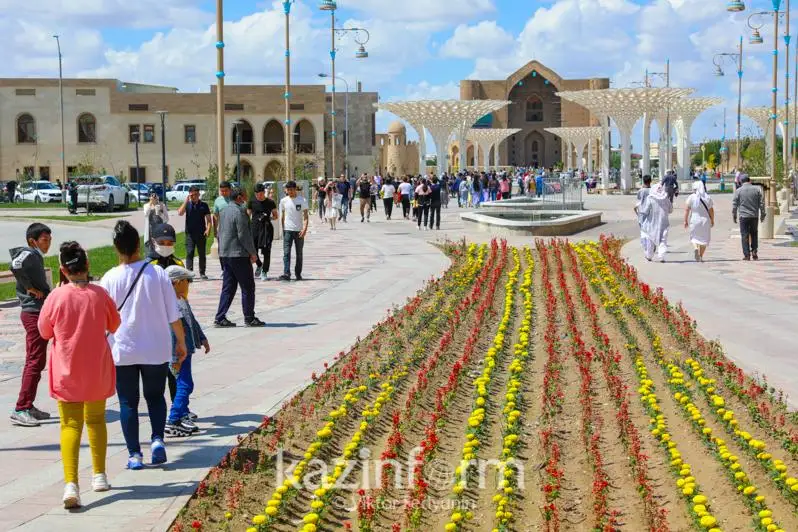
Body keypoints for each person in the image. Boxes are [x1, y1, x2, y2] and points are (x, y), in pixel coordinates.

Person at [37, 242, 120, 507]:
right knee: (96, 421)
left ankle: (71, 484)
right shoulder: (100, 294)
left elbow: (44, 332)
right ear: (88, 266)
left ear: (63, 269)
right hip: (96, 370)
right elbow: (114, 324)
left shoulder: (56, 297)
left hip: (67, 371)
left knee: (70, 425)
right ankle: (99, 475)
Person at [100, 220, 186, 470]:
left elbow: (104, 319)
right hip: (155, 348)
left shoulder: (108, 279)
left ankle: (134, 455)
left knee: (128, 402)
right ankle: (158, 440)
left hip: (123, 349)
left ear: (116, 247)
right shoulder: (157, 273)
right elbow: (174, 314)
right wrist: (180, 342)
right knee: (156, 397)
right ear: (139, 244)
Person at [9, 223, 53, 427]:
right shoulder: (28, 253)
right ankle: (21, 408)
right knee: (34, 361)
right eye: (45, 239)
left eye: (49, 239)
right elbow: (15, 265)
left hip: (37, 312)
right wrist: (29, 288)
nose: (48, 243)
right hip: (32, 313)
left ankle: (29, 405)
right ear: (32, 240)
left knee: (38, 361)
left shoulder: (35, 255)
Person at [164, 266, 209, 437]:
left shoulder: (182, 300)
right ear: (176, 283)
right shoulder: (172, 305)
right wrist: (176, 356)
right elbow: (174, 332)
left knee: (184, 384)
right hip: (178, 354)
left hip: (186, 350)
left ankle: (182, 415)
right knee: (185, 384)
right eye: (187, 281)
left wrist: (203, 339)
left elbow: (193, 322)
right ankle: (174, 419)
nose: (189, 285)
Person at [214, 188, 264, 327]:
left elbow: (220, 231)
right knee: (248, 287)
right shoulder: (240, 212)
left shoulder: (223, 211)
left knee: (228, 287)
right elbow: (244, 235)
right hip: (238, 255)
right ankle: (249, 317)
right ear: (240, 197)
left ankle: (220, 317)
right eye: (245, 196)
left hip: (225, 254)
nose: (246, 199)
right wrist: (253, 253)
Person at [177, 186, 211, 280]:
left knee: (202, 254)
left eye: (196, 194)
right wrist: (186, 200)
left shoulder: (204, 205)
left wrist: (208, 229)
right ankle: (189, 273)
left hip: (201, 234)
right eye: (192, 194)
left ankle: (202, 273)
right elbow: (180, 213)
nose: (194, 196)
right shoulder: (187, 204)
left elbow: (208, 220)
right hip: (190, 234)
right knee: (189, 253)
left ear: (199, 194)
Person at [280, 181, 309, 281]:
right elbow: (282, 216)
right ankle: (286, 273)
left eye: (291, 189)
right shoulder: (283, 201)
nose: (290, 192)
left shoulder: (302, 200)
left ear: (295, 189)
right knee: (286, 253)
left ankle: (298, 273)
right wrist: (283, 229)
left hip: (299, 231)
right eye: (288, 190)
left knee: (299, 254)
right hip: (287, 230)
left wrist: (304, 229)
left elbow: (305, 216)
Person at [732, 174, 766, 261]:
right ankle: (754, 251)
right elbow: (762, 203)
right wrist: (762, 214)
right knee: (754, 234)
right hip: (754, 216)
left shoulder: (738, 191)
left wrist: (734, 215)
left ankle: (747, 255)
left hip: (743, 216)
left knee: (744, 235)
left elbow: (734, 204)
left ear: (741, 182)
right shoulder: (757, 190)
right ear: (749, 180)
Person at [248, 183, 277, 281]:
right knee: (253, 251)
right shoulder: (251, 202)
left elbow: (275, 216)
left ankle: (265, 271)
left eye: (260, 194)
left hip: (266, 229)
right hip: (255, 229)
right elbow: (248, 215)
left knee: (267, 251)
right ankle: (259, 265)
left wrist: (268, 217)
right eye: (256, 194)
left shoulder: (270, 202)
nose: (258, 196)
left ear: (264, 192)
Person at [639, 182, 673, 262]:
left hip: (652, 222)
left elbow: (645, 210)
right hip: (664, 222)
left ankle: (649, 255)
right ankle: (661, 256)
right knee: (663, 240)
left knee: (651, 239)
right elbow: (671, 210)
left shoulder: (650, 198)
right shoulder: (666, 198)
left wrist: (640, 210)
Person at [684, 181, 715, 262]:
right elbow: (711, 210)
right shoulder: (707, 197)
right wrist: (712, 220)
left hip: (694, 219)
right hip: (705, 220)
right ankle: (700, 256)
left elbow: (687, 209)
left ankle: (695, 248)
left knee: (694, 237)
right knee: (704, 240)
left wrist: (685, 220)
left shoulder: (691, 197)